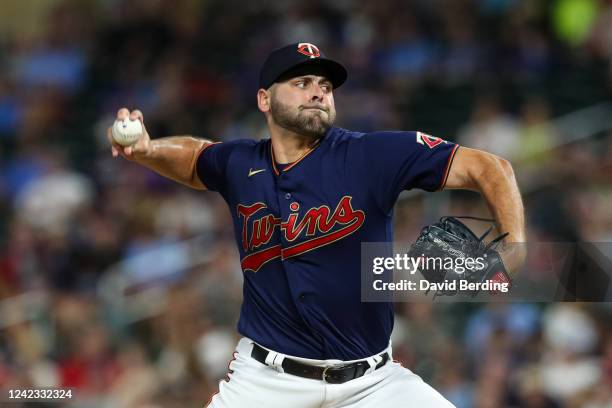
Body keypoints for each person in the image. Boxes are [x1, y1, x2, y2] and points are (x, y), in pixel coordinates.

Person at [108, 42, 525, 407]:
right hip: (266, 383)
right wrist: (146, 150)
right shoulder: (241, 163)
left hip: (373, 384)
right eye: (301, 82)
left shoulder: (371, 155)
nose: (318, 92)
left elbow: (489, 167)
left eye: (325, 86)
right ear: (264, 100)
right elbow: (196, 159)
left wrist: (514, 244)